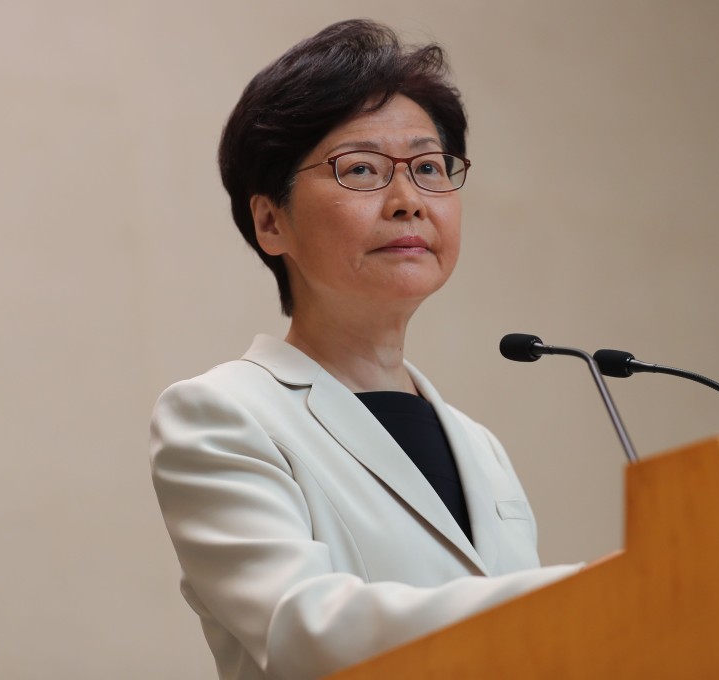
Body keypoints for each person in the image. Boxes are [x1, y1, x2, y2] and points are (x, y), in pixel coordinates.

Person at [150, 19, 582, 680]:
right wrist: (579, 595)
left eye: (430, 167)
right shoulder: (222, 416)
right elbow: (308, 631)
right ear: (271, 221)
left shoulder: (479, 447)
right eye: (362, 170)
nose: (409, 201)